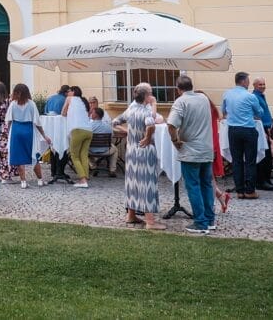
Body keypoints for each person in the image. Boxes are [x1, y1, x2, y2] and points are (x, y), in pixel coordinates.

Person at [167, 75, 216, 234]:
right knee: (207, 185)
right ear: (192, 85)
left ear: (178, 89)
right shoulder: (203, 98)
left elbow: (171, 125)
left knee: (193, 186)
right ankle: (209, 219)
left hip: (190, 150)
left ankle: (200, 222)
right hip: (206, 148)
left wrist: (175, 140)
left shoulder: (180, 101)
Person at [114, 83, 165, 230]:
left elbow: (115, 122)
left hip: (131, 150)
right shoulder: (145, 111)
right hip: (144, 151)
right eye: (151, 93)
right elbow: (151, 124)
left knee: (132, 182)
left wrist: (127, 132)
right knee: (147, 183)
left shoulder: (130, 109)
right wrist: (148, 137)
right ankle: (150, 221)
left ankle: (131, 215)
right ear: (147, 96)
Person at [221, 71, 264, 199]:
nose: (249, 83)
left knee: (237, 161)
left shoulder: (227, 94)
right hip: (248, 129)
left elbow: (224, 111)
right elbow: (259, 113)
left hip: (233, 130)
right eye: (248, 81)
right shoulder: (250, 96)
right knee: (250, 161)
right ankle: (250, 190)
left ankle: (239, 190)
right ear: (244, 81)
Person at [5, 83, 51, 188]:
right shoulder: (31, 104)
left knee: (19, 157)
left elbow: (8, 121)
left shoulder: (13, 104)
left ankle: (23, 182)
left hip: (16, 130)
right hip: (28, 130)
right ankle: (40, 180)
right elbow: (37, 122)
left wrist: (9, 133)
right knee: (34, 155)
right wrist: (44, 135)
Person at [62, 85, 92, 188]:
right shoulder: (83, 101)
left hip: (77, 130)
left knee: (74, 155)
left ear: (73, 92)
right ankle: (86, 177)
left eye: (69, 91)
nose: (67, 93)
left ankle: (83, 180)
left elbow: (63, 113)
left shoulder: (69, 99)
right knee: (83, 154)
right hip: (88, 130)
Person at [252, 77, 273, 191]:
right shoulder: (255, 97)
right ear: (254, 85)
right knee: (263, 156)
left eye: (263, 84)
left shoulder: (261, 96)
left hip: (266, 129)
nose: (262, 86)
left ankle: (266, 179)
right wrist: (264, 131)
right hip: (260, 129)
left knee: (267, 157)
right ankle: (261, 181)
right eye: (260, 84)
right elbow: (257, 115)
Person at [207, 97, 231, 214]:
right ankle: (221, 197)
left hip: (208, 144)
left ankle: (213, 203)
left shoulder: (206, 111)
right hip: (213, 143)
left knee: (208, 176)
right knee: (209, 176)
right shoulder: (212, 111)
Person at [89, 107, 118, 177]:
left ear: (96, 115)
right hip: (105, 150)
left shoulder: (88, 126)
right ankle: (112, 170)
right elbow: (111, 137)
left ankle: (93, 166)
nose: (91, 114)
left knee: (83, 149)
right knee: (115, 149)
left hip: (91, 150)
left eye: (92, 113)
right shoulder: (108, 126)